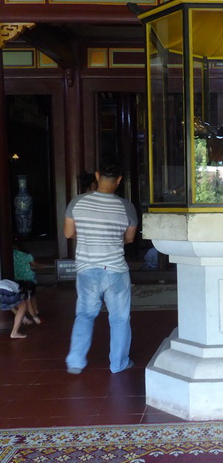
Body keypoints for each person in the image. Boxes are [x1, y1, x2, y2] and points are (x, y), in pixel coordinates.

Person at [64, 158, 138, 374]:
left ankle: (76, 361)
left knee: (85, 315)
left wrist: (88, 235)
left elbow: (68, 233)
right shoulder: (126, 206)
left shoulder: (77, 202)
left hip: (86, 269)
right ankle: (118, 364)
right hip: (115, 270)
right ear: (119, 180)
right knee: (119, 318)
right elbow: (130, 238)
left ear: (97, 175)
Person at [13, 243, 42, 324]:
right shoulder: (26, 255)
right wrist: (41, 266)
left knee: (22, 299)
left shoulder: (8, 254)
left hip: (16, 280)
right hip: (28, 279)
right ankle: (35, 310)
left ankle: (25, 315)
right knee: (32, 295)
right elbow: (35, 264)